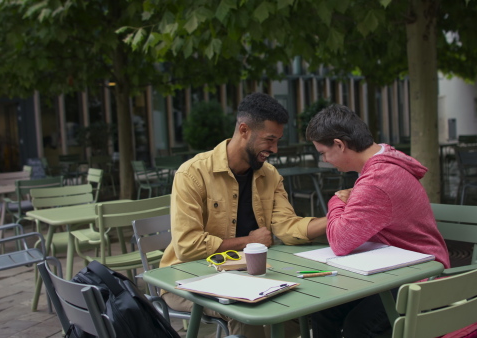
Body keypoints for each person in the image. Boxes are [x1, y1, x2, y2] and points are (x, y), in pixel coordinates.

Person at [160, 92, 327, 337]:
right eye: (270, 140)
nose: (275, 149)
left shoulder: (270, 175)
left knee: (294, 307)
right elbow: (187, 247)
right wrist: (248, 242)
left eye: (278, 140)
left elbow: (286, 227)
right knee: (245, 311)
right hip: (188, 278)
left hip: (249, 276)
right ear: (244, 130)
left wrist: (333, 220)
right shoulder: (192, 174)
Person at [305, 104, 450, 338]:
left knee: (358, 326)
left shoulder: (377, 180)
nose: (324, 160)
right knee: (325, 310)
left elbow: (339, 241)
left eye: (323, 153)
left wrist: (337, 200)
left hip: (420, 276)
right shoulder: (384, 160)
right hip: (401, 266)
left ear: (340, 145)